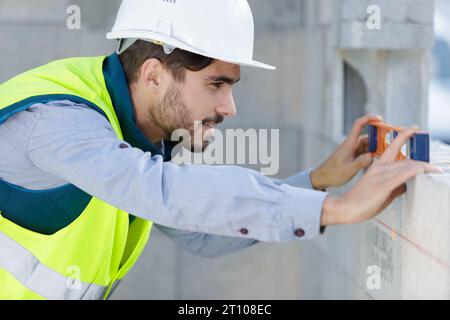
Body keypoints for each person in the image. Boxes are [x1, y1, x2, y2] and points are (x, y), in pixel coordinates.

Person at [0, 0, 441, 300]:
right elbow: (163, 192)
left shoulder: (136, 126)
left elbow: (200, 231)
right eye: (216, 84)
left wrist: (317, 182)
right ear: (154, 74)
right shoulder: (58, 120)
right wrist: (336, 208)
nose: (229, 107)